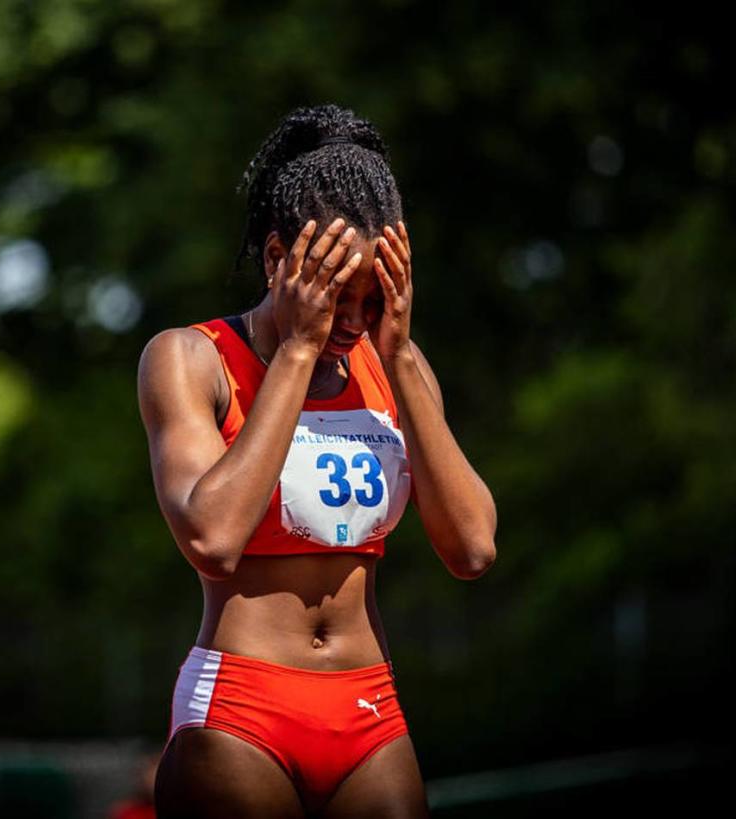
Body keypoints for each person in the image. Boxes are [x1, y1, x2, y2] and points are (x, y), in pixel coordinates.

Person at [137, 104, 497, 818]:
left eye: (375, 297)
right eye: (339, 295)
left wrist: (397, 355)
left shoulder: (394, 361)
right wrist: (298, 353)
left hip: (369, 710)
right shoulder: (189, 359)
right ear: (278, 260)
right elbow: (211, 538)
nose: (356, 321)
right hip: (240, 709)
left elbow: (473, 548)